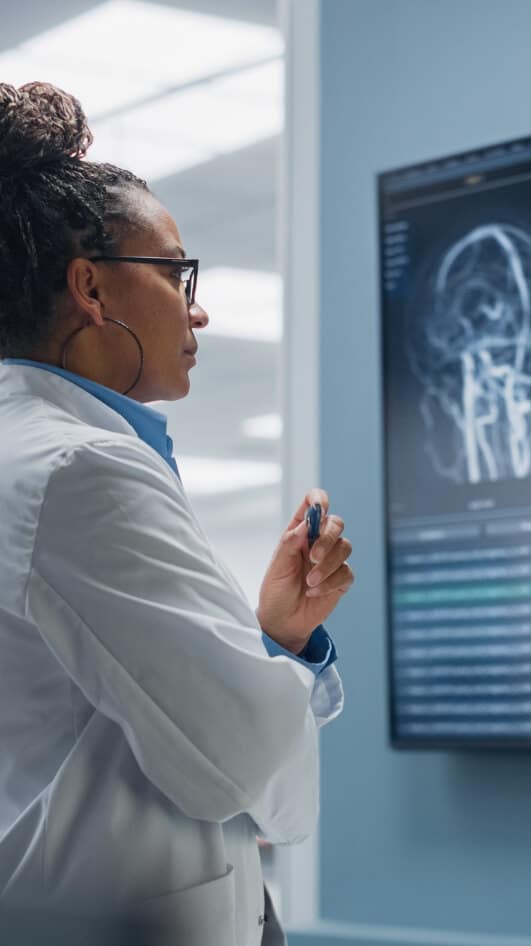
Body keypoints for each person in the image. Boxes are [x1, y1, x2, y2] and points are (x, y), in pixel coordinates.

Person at [0, 82, 354, 946]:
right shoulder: (81, 468)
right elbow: (248, 764)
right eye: (175, 271)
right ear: (91, 287)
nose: (197, 308)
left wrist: (273, 637)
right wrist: (281, 668)